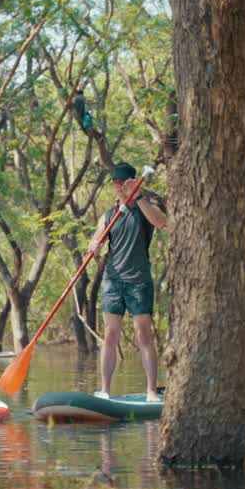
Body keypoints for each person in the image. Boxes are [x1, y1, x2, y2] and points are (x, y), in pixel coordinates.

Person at [87, 162, 167, 402]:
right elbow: (94, 246)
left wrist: (139, 195)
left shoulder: (145, 208)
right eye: (117, 184)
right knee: (110, 335)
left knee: (143, 335)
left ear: (134, 182)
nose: (120, 188)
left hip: (139, 280)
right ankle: (105, 390)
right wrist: (94, 248)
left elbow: (161, 222)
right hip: (113, 281)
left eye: (124, 183)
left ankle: (151, 391)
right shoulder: (109, 215)